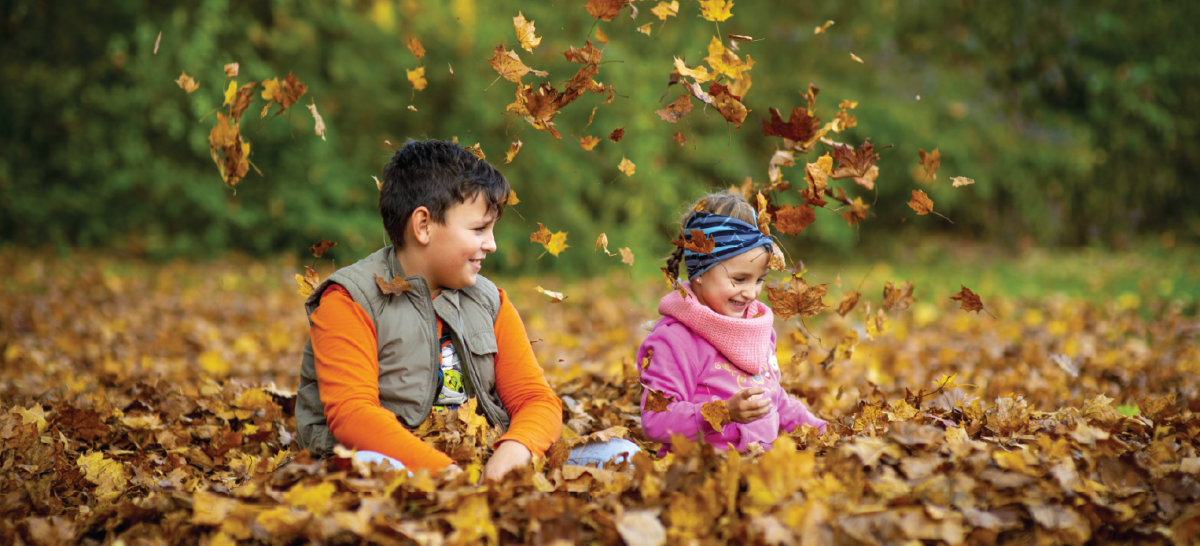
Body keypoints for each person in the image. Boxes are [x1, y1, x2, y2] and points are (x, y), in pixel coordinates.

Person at [295, 139, 637, 480]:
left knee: (623, 453)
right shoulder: (350, 300)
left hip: (485, 459)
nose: (492, 244)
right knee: (372, 464)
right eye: (478, 230)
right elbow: (354, 415)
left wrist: (517, 448)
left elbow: (536, 398)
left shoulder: (489, 301)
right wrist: (445, 473)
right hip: (402, 465)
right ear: (423, 226)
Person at [639, 191, 826, 454]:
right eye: (739, 279)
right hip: (703, 474)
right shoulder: (676, 340)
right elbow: (655, 420)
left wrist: (824, 432)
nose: (751, 293)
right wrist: (722, 413)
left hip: (761, 469)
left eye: (758, 280)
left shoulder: (757, 329)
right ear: (700, 272)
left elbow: (774, 400)